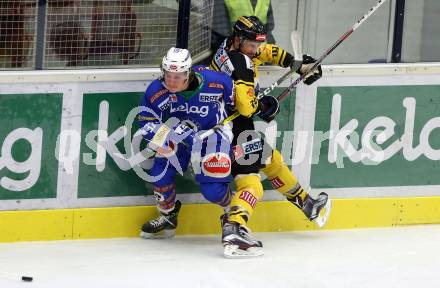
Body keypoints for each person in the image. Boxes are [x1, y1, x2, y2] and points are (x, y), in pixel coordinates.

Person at [210, 15, 331, 257]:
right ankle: (234, 227)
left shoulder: (228, 46)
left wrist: (294, 63)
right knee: (250, 182)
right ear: (240, 39)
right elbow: (245, 106)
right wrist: (263, 106)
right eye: (252, 45)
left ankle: (307, 204)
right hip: (232, 129)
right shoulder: (241, 62)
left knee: (271, 159)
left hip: (228, 124)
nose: (257, 50)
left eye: (257, 44)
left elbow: (267, 51)